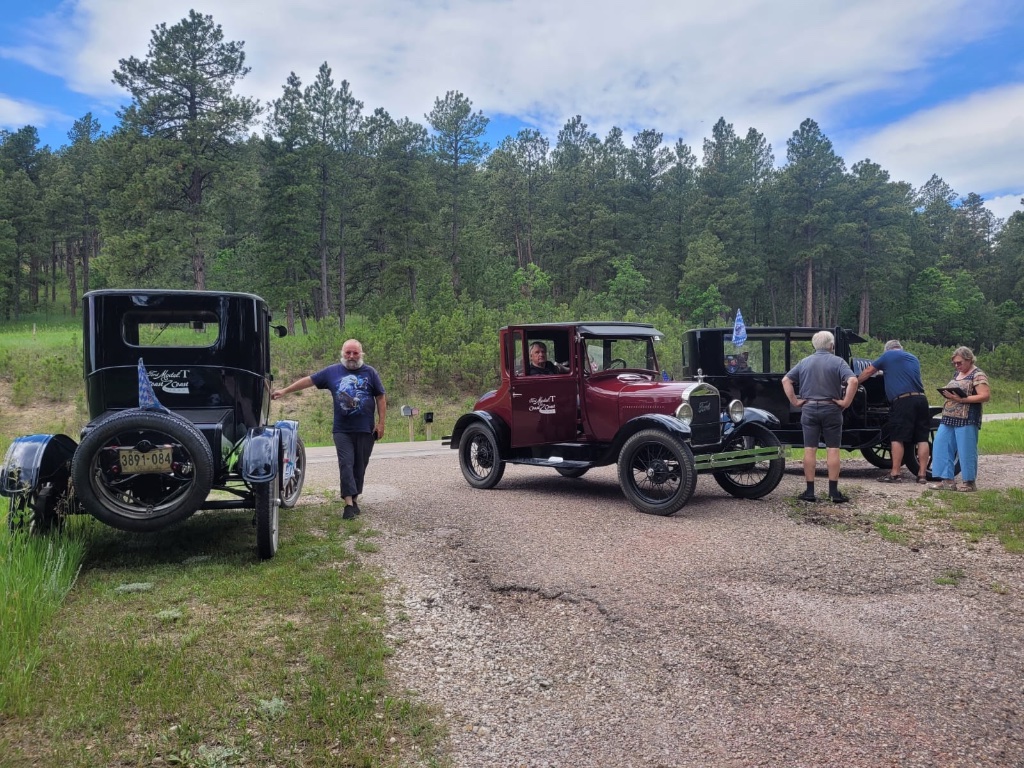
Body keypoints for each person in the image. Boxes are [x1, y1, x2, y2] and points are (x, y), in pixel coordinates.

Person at [272, 338, 386, 519]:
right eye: (348, 352)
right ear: (342, 353)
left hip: (366, 429)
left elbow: (380, 397)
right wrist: (285, 391)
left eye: (355, 353)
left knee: (360, 466)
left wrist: (381, 424)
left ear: (361, 354)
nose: (351, 356)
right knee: (346, 463)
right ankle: (348, 505)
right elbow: (308, 381)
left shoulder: (370, 373)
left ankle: (354, 498)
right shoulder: (332, 372)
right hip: (342, 430)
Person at [782, 330, 859, 503]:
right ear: (831, 345)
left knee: (810, 449)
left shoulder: (804, 362)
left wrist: (795, 401)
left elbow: (786, 380)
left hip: (809, 408)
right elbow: (853, 381)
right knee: (833, 449)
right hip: (831, 408)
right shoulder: (838, 362)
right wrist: (846, 402)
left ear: (814, 345)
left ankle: (809, 492)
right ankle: (833, 492)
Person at [856, 340, 931, 484]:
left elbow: (869, 371)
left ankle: (895, 474)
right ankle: (922, 475)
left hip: (903, 400)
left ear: (887, 349)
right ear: (901, 348)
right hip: (921, 399)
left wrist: (855, 383)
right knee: (922, 438)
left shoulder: (888, 355)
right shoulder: (913, 358)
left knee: (897, 437)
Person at [929, 346, 990, 492]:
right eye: (955, 363)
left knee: (966, 448)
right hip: (949, 416)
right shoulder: (957, 374)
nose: (957, 365)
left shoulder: (978, 375)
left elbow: (985, 395)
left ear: (969, 360)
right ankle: (946, 480)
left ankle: (969, 482)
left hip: (967, 417)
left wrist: (962, 399)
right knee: (941, 444)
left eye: (959, 363)